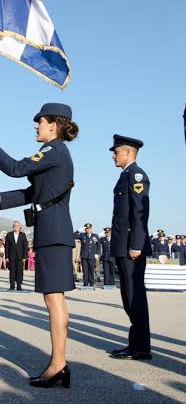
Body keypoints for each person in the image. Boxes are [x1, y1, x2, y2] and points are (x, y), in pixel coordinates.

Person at [0, 102, 78, 388]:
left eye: (40, 121)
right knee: (54, 299)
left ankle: (58, 363)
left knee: (53, 299)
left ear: (53, 124)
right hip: (53, 230)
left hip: (53, 231)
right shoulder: (56, 154)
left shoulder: (53, 150)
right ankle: (58, 362)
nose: (36, 125)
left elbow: (16, 168)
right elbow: (31, 192)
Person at [109, 134, 152, 360]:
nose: (114, 156)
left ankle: (142, 347)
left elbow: (139, 212)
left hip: (130, 246)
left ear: (128, 152)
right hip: (123, 245)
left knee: (135, 296)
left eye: (116, 152)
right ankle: (135, 344)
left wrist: (136, 244)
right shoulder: (124, 176)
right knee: (128, 296)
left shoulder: (136, 175)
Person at [5, 221, 28, 291]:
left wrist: (25, 257)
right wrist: (6, 257)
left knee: (19, 271)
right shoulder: (9, 234)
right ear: (13, 226)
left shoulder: (23, 235)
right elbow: (7, 246)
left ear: (20, 227)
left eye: (17, 225)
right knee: (12, 271)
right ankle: (12, 286)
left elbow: (25, 247)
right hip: (11, 256)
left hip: (20, 257)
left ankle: (19, 286)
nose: (16, 227)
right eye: (15, 225)